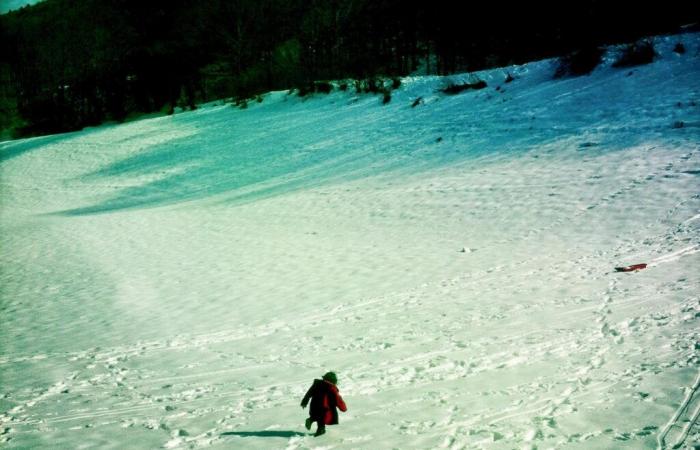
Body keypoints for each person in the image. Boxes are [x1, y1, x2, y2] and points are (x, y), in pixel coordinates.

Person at [300, 371, 347, 436]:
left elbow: (308, 393)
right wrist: (343, 408)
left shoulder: (317, 384)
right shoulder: (332, 388)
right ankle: (320, 432)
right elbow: (338, 399)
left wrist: (304, 402)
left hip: (314, 406)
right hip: (325, 408)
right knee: (322, 419)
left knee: (317, 417)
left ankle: (310, 420)